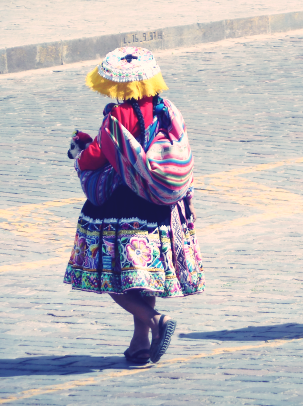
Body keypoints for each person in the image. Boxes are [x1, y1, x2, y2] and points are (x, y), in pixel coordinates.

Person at [64, 47, 205, 363]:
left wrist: (82, 150)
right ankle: (140, 342)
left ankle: (157, 321)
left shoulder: (116, 116)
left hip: (121, 206)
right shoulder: (166, 110)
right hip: (157, 207)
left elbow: (97, 156)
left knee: (110, 275)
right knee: (143, 274)